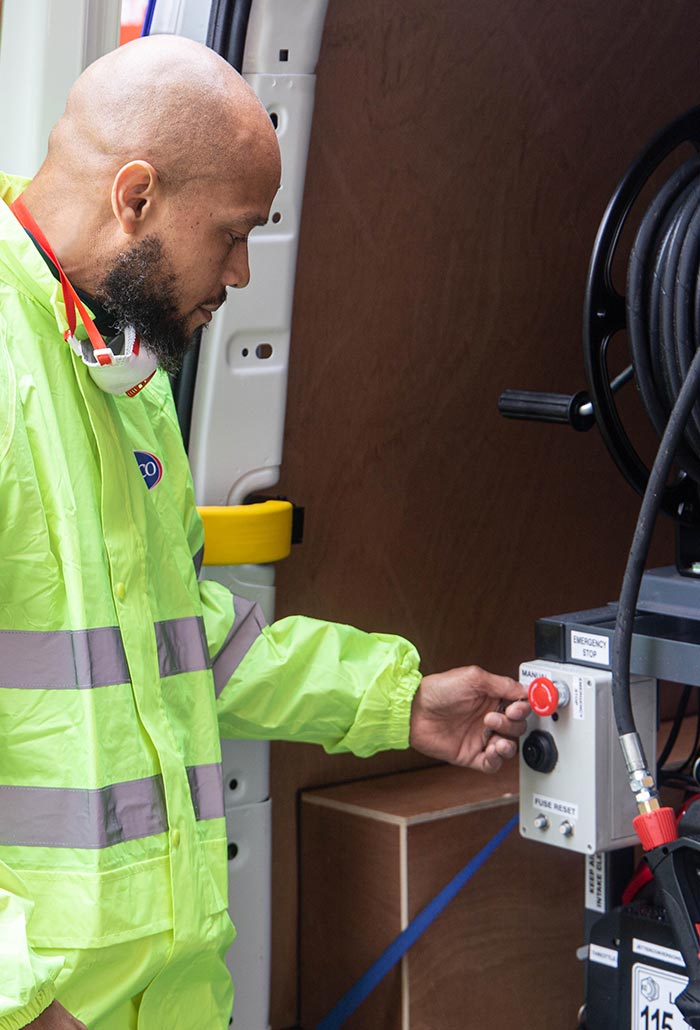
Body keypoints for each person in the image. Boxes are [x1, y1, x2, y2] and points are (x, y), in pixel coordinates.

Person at [0, 34, 529, 1030]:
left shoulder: (117, 366)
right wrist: (19, 1002)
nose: (242, 271)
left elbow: (169, 638)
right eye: (234, 232)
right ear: (136, 197)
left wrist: (395, 700)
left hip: (168, 1000)